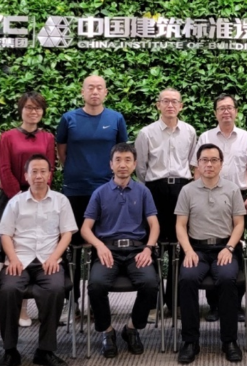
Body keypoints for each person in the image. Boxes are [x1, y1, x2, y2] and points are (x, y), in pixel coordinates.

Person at [56, 75, 128, 317]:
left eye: (99, 88)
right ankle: (71, 302)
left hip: (106, 191)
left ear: (105, 92)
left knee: (102, 245)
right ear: (82, 91)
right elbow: (62, 153)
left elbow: (121, 153)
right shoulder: (69, 119)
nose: (95, 92)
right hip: (75, 191)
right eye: (90, 88)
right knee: (72, 247)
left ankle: (98, 303)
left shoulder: (116, 119)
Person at [0, 154, 77, 366]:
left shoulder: (61, 201)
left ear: (49, 175)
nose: (39, 176)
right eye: (34, 172)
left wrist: (54, 257)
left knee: (55, 289)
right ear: (26, 176)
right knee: (7, 291)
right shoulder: (15, 202)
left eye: (43, 172)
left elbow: (67, 234)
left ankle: (45, 351)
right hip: (19, 260)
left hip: (48, 260)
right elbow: (5, 235)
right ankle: (10, 350)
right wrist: (12, 258)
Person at [82, 143, 160, 358]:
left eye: (127, 160)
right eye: (118, 160)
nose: (122, 165)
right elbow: (86, 228)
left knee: (151, 283)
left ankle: (132, 328)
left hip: (137, 250)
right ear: (111, 164)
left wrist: (148, 249)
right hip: (108, 250)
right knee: (96, 285)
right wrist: (99, 246)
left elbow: (154, 225)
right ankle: (107, 331)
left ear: (134, 164)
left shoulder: (143, 192)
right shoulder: (99, 193)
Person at [192, 93, 247, 322]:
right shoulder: (206, 136)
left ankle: (235, 304)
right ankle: (214, 306)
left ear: (236, 111)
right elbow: (198, 168)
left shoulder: (246, 137)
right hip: (209, 196)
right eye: (221, 108)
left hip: (238, 196)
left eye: (230, 107)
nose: (226, 111)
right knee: (211, 246)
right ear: (215, 113)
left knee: (235, 249)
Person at [175, 144, 246, 363]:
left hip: (225, 248)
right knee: (187, 279)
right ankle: (190, 341)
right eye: (204, 160)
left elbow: (239, 223)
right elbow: (180, 225)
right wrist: (188, 250)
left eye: (214, 160)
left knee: (227, 279)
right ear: (197, 164)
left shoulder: (232, 189)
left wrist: (230, 248)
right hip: (196, 249)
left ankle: (229, 341)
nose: (209, 164)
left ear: (221, 164)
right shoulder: (187, 191)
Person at [135, 88, 197, 316]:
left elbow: (191, 162)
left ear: (181, 106)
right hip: (155, 189)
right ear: (158, 105)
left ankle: (175, 301)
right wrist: (151, 189)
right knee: (154, 243)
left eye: (174, 102)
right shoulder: (146, 133)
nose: (170, 105)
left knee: (180, 244)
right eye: (165, 101)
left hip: (182, 188)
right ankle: (152, 302)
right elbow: (141, 168)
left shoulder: (190, 131)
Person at [0, 91, 56, 328]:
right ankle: (19, 307)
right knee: (16, 249)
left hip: (41, 198)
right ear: (21, 110)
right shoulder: (8, 137)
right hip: (14, 198)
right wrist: (20, 198)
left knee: (40, 245)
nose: (33, 112)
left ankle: (45, 306)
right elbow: (4, 169)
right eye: (29, 107)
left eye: (38, 108)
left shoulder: (48, 137)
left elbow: (50, 168)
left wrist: (40, 193)